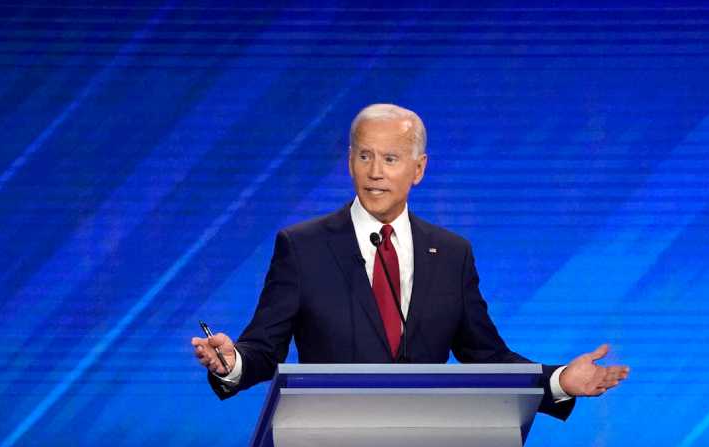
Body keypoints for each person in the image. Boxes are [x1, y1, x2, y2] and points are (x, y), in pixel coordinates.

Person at [191, 103, 628, 412]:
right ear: (349, 162)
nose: (375, 171)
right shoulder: (303, 247)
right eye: (364, 156)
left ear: (418, 169)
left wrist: (559, 381)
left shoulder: (451, 254)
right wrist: (232, 363)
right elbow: (264, 349)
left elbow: (488, 358)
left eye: (390, 158)